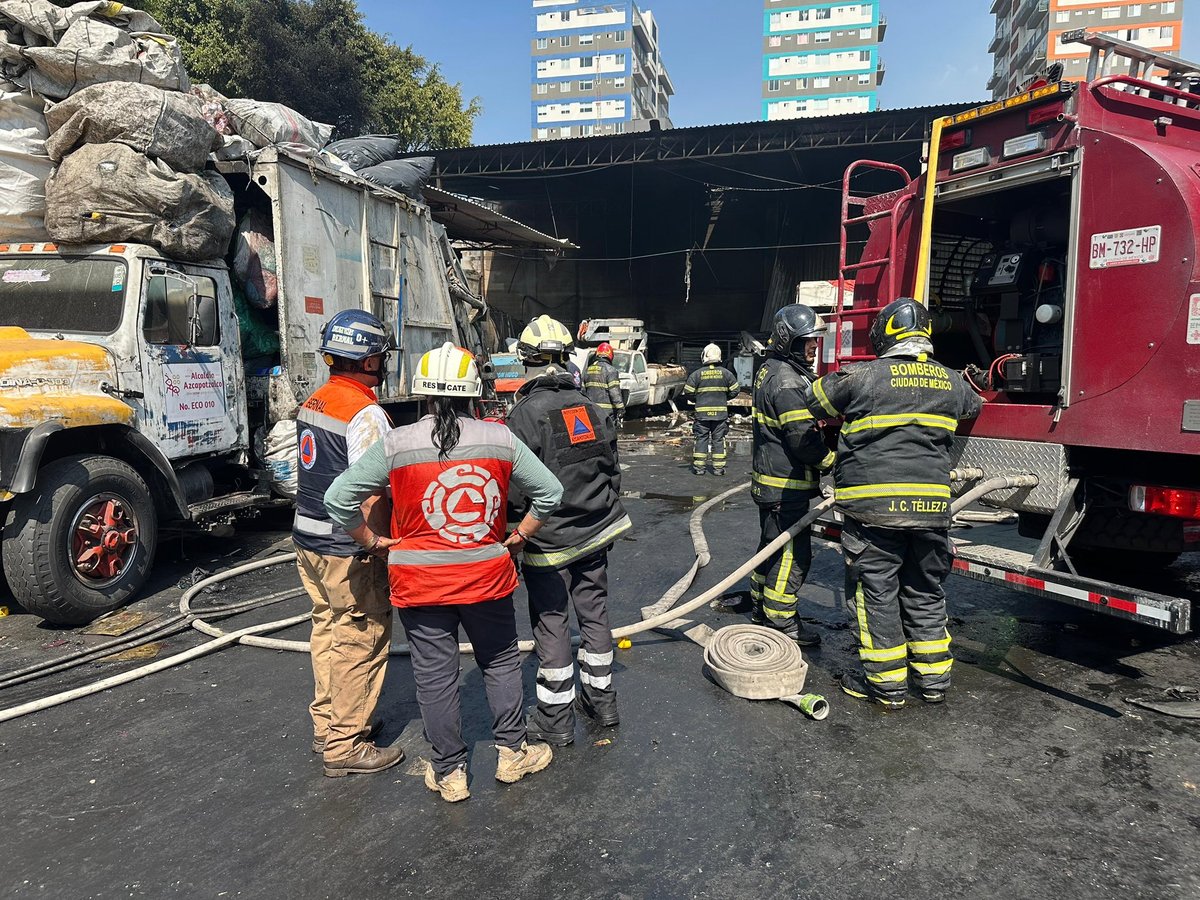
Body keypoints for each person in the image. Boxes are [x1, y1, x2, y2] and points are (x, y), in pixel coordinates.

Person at [325, 342, 563, 802]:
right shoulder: (499, 437)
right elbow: (549, 492)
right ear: (473, 392)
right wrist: (520, 535)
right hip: (486, 578)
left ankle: (450, 772)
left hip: (419, 582)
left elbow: (338, 499)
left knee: (435, 675)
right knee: (500, 661)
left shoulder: (396, 442)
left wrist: (372, 543)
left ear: (424, 395)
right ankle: (512, 754)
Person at [804, 298, 982, 710]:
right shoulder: (951, 382)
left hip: (874, 512)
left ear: (885, 334)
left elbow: (816, 401)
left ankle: (886, 687)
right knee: (925, 590)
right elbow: (975, 405)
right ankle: (934, 682)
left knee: (876, 595)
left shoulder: (863, 377)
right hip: (932, 511)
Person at [507, 316, 632, 747]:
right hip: (596, 531)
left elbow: (514, 486)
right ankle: (603, 700)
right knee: (594, 615)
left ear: (525, 359)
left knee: (552, 623)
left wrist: (512, 534)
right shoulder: (590, 406)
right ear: (565, 358)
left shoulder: (525, 415)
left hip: (549, 540)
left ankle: (556, 719)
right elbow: (612, 470)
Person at [293, 309, 400, 778]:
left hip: (308, 541)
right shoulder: (366, 413)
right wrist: (378, 544)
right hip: (347, 547)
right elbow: (371, 488)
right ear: (369, 359)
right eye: (379, 355)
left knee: (328, 630)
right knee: (362, 635)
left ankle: (326, 726)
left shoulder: (315, 400)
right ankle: (346, 744)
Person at [750, 304, 835, 647]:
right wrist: (831, 461)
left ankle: (759, 606)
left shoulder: (772, 369)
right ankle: (782, 622)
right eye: (809, 342)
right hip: (786, 486)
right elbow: (801, 437)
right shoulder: (787, 380)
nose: (815, 347)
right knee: (793, 556)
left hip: (772, 482)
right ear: (789, 341)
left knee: (770, 548)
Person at [684, 343, 741, 476]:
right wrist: (724, 397)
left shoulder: (696, 374)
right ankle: (718, 469)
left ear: (704, 356)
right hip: (720, 415)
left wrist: (697, 399)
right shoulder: (726, 374)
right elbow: (735, 390)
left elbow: (688, 391)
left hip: (702, 416)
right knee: (719, 440)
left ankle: (699, 469)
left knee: (701, 439)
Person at [584, 341, 625, 423]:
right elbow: (614, 392)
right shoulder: (611, 370)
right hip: (607, 413)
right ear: (610, 355)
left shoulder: (588, 370)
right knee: (609, 434)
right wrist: (621, 408)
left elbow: (583, 390)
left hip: (591, 410)